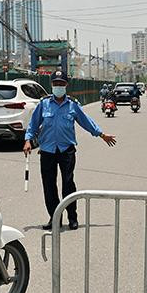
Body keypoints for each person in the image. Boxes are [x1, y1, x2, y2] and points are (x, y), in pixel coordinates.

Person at [23, 70, 117, 230]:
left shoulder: (72, 105)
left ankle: (72, 217)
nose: (58, 86)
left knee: (68, 184)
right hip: (47, 150)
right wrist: (27, 140)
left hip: (66, 150)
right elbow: (33, 124)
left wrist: (101, 134)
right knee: (49, 185)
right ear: (51, 85)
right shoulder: (43, 104)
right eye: (55, 84)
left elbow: (86, 122)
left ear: (66, 85)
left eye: (61, 84)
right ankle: (54, 218)